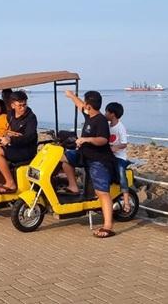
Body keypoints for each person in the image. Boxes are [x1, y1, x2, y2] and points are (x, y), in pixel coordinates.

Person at [61, 89, 117, 238]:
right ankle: (73, 187)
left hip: (98, 160)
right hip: (84, 155)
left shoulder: (100, 121)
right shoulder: (89, 115)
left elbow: (103, 139)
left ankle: (108, 226)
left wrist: (87, 139)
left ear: (89, 106)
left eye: (85, 103)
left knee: (102, 192)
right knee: (64, 158)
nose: (83, 105)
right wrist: (71, 96)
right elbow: (79, 105)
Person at [0, 90, 38, 193]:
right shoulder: (11, 115)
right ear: (12, 105)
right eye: (20, 106)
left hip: (26, 150)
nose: (23, 108)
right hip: (14, 148)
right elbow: (3, 127)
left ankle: (10, 184)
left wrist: (11, 139)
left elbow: (29, 137)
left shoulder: (31, 117)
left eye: (24, 105)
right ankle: (10, 185)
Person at [105, 102, 130, 211]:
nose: (105, 114)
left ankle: (126, 201)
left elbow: (124, 143)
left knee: (121, 173)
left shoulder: (120, 127)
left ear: (113, 114)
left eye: (107, 112)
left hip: (119, 157)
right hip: (109, 156)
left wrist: (115, 148)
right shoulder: (107, 126)